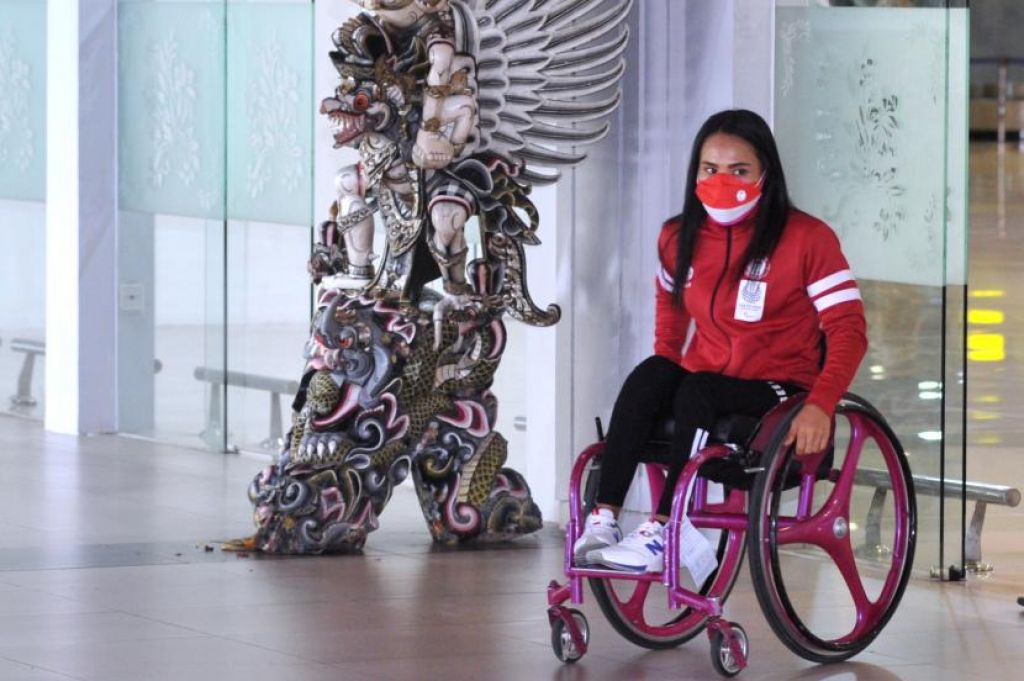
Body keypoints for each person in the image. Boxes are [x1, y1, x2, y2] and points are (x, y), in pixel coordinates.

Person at [574, 109, 868, 573]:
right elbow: (670, 319)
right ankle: (603, 517)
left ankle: (664, 528)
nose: (722, 180)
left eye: (739, 170)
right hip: (708, 381)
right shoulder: (678, 236)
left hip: (779, 387)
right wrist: (662, 385)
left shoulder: (807, 238)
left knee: (697, 388)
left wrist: (821, 403)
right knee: (655, 373)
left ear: (765, 174)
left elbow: (849, 329)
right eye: (710, 169)